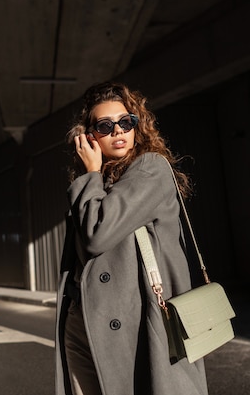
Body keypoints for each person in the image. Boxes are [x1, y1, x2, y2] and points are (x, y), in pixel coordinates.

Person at [55, 81, 209, 395]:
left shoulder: (150, 169)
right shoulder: (99, 179)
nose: (118, 131)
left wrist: (90, 175)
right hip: (84, 320)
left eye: (126, 122)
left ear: (137, 125)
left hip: (136, 321)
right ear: (89, 135)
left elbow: (98, 235)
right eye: (105, 125)